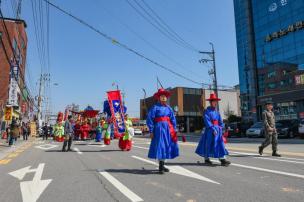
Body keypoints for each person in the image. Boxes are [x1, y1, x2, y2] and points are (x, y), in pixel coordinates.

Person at [146, 88, 179, 174]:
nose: (164, 98)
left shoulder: (169, 108)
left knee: (166, 146)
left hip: (168, 129)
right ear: (159, 98)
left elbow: (173, 119)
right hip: (159, 129)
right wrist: (151, 131)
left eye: (165, 96)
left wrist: (174, 128)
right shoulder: (155, 107)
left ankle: (163, 164)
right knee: (161, 146)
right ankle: (160, 166)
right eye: (162, 96)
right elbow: (149, 119)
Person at [195, 93, 231, 166]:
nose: (215, 103)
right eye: (214, 101)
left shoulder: (217, 112)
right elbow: (207, 121)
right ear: (211, 102)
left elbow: (220, 122)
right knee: (208, 144)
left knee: (220, 144)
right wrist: (213, 129)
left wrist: (222, 128)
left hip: (218, 130)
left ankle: (222, 159)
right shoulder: (207, 111)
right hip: (210, 130)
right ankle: (206, 159)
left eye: (216, 101)